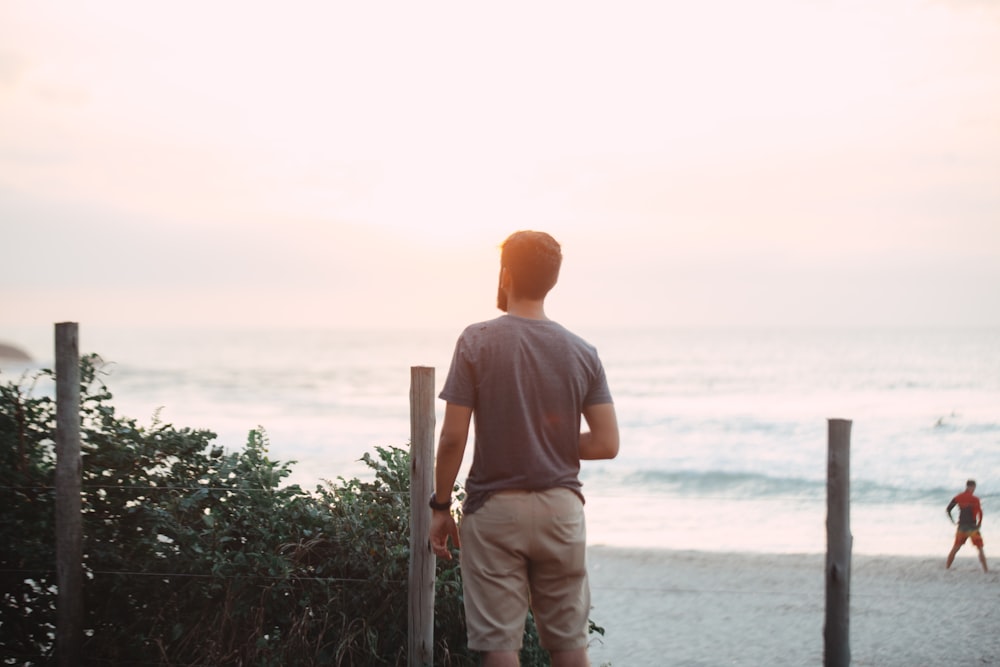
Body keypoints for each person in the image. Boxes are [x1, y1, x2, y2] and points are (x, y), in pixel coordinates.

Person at [429, 230, 620, 667]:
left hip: (495, 512)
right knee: (569, 644)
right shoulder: (583, 352)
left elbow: (453, 437)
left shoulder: (476, 341)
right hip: (561, 511)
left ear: (506, 274)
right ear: (552, 279)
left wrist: (440, 506)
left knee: (499, 644)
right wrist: (545, 440)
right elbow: (608, 443)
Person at [946, 479, 988, 572]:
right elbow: (980, 512)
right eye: (974, 488)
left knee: (955, 548)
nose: (974, 489)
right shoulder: (975, 499)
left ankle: (947, 568)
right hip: (972, 527)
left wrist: (952, 520)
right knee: (980, 548)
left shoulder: (958, 497)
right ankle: (986, 570)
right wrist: (979, 523)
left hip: (961, 527)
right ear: (972, 487)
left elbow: (948, 509)